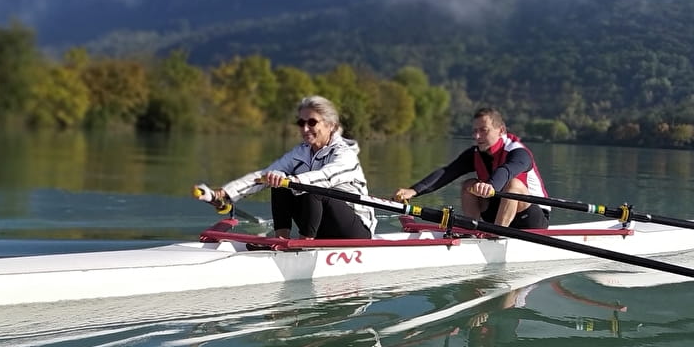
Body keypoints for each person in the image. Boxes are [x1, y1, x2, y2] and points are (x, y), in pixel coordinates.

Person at [207, 95, 376, 240]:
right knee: (277, 179)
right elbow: (264, 175)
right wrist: (226, 193)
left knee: (312, 189)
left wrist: (293, 181)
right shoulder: (299, 153)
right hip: (321, 224)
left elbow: (326, 177)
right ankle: (281, 240)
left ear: (330, 125)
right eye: (301, 122)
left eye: (311, 122)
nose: (305, 128)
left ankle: (303, 245)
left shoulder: (346, 155)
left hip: (355, 229)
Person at [394, 106, 550, 228]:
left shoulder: (519, 153)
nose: (477, 136)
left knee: (513, 184)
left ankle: (495, 238)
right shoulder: (475, 153)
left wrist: (490, 186)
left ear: (501, 130)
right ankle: (472, 231)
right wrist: (414, 191)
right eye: (475, 131)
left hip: (531, 218)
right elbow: (448, 172)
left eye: (483, 130)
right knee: (468, 185)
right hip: (498, 211)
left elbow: (506, 171)